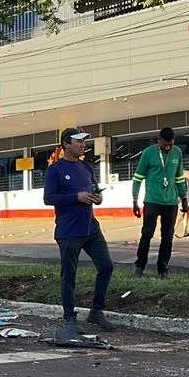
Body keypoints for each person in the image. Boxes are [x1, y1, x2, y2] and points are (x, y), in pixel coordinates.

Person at [44, 128, 114, 332]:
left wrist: (98, 198)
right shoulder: (55, 170)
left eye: (84, 142)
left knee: (106, 266)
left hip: (91, 228)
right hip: (69, 231)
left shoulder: (86, 167)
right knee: (69, 275)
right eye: (78, 141)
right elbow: (49, 198)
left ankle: (96, 312)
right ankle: (69, 318)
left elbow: (94, 189)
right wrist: (76, 197)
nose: (83, 145)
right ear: (66, 144)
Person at [130, 127, 182, 278]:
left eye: (170, 144)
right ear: (158, 140)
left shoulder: (177, 152)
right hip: (152, 200)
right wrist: (135, 200)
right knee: (147, 234)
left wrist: (184, 199)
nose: (168, 147)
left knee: (168, 236)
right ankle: (140, 266)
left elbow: (179, 178)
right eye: (164, 144)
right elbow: (138, 177)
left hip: (171, 202)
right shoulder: (148, 153)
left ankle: (163, 268)